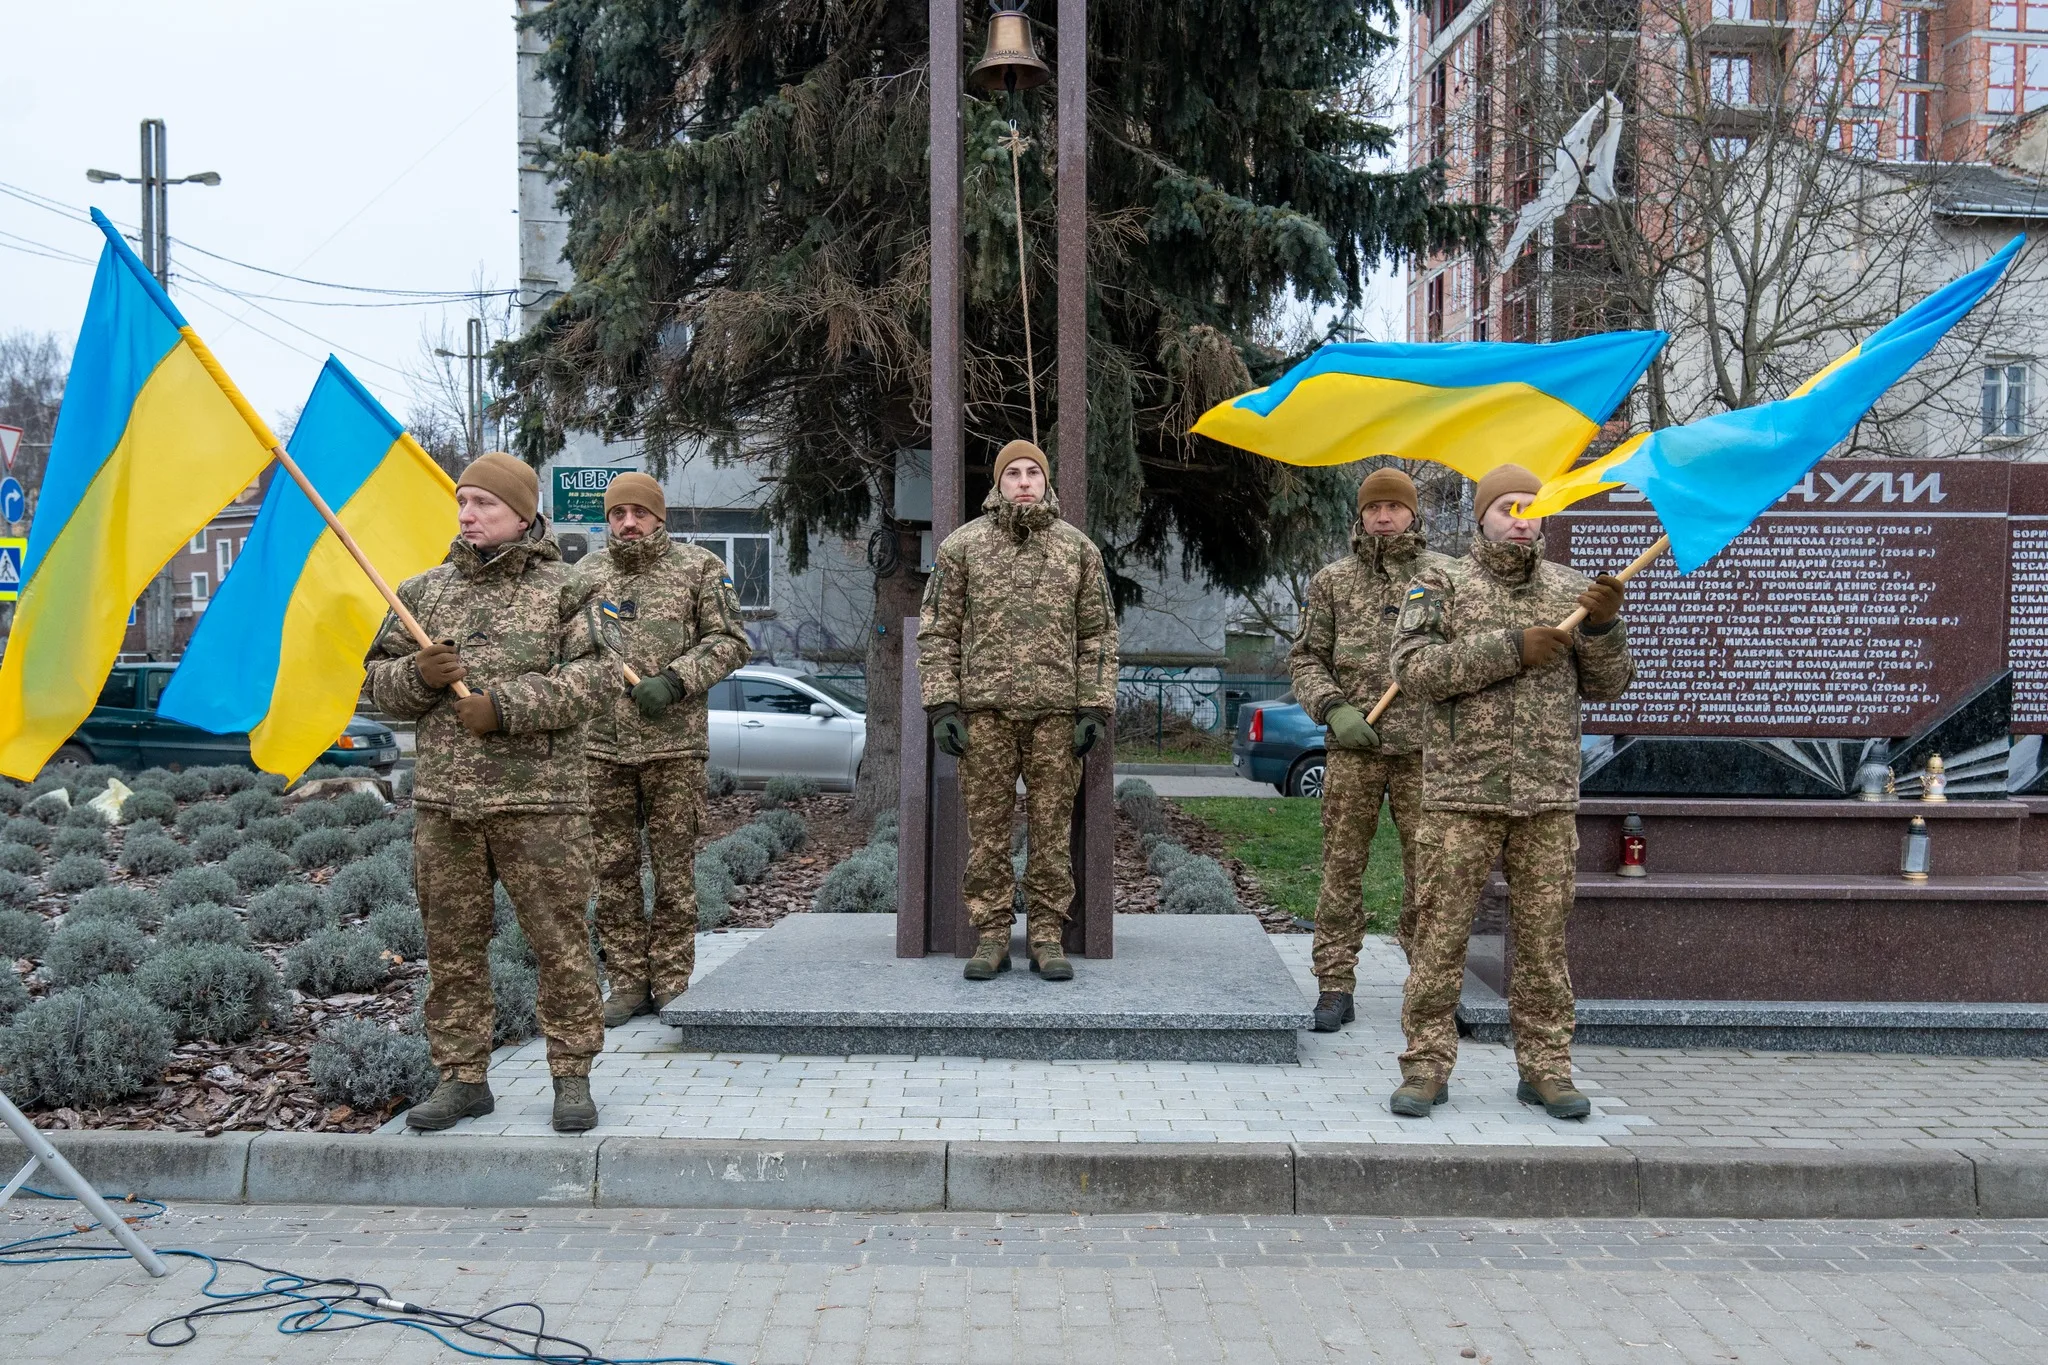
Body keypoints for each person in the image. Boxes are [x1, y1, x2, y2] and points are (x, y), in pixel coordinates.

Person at [364, 452, 613, 1134]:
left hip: (541, 805)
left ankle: (571, 1075)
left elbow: (597, 681)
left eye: (485, 504)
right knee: (452, 948)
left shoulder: (574, 589)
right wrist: (416, 674)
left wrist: (505, 706)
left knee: (559, 943)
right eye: (463, 502)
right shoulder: (424, 592)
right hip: (446, 806)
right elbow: (374, 685)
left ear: (525, 513)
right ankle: (462, 1077)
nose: (469, 515)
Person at [1387, 463, 1633, 1121]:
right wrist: (1510, 649)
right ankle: (1426, 1067)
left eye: (1532, 507)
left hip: (1546, 797)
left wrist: (1605, 630)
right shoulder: (1438, 582)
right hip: (1461, 793)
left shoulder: (1572, 590)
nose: (1521, 518)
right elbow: (1413, 671)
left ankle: (1547, 1068)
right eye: (1508, 507)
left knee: (1545, 942)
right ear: (1482, 517)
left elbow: (1608, 686)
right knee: (1440, 935)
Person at [919, 439, 1118, 982]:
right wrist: (943, 704)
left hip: (1056, 716)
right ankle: (991, 936)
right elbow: (937, 631)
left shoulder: (1077, 550)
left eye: (1034, 473)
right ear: (998, 483)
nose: (1025, 482)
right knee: (987, 833)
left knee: (1052, 830)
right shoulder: (964, 547)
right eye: (1014, 474)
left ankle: (1047, 937)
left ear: (1047, 482)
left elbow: (1098, 634)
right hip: (984, 716)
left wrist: (1093, 707)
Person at [570, 472, 751, 1026]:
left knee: (674, 872)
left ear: (659, 516)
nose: (628, 523)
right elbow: (564, 649)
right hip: (601, 748)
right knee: (614, 872)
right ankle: (627, 983)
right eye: (618, 513)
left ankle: (672, 981)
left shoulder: (699, 569)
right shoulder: (583, 576)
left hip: (673, 748)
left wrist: (675, 680)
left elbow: (731, 641)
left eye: (639, 513)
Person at [1288, 467, 1450, 1034]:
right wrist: (1334, 708)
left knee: (1429, 872)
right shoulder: (1332, 581)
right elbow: (1307, 657)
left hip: (1425, 751)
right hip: (1355, 749)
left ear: (1413, 514)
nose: (1383, 517)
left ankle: (1429, 990)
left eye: (1394, 507)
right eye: (1373, 508)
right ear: (1360, 515)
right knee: (1341, 869)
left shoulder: (1445, 577)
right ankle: (1334, 985)